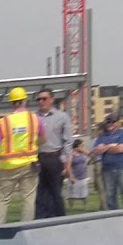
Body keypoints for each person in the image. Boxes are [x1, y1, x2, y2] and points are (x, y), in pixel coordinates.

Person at [0, 86, 46, 225]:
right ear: (25, 101)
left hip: (8, 167)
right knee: (28, 198)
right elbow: (44, 139)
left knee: (2, 200)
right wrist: (34, 144)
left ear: (11, 103)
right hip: (29, 165)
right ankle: (26, 228)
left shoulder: (4, 122)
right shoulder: (35, 119)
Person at [33, 88, 74, 219]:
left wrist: (67, 164)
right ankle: (40, 220)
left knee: (55, 190)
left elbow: (68, 141)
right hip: (38, 158)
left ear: (51, 100)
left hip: (54, 157)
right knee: (40, 192)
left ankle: (59, 219)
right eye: (39, 99)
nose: (41, 102)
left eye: (44, 99)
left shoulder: (62, 117)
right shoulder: (33, 117)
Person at [91, 114, 123, 209]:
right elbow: (96, 151)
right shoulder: (102, 136)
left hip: (122, 168)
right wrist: (112, 146)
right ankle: (113, 217)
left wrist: (105, 147)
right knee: (110, 197)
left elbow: (120, 149)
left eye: (113, 121)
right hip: (107, 169)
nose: (111, 124)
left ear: (117, 122)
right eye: (108, 122)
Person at [68, 138, 90, 211]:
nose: (82, 147)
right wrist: (71, 176)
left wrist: (85, 152)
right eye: (81, 146)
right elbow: (69, 165)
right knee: (72, 193)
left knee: (84, 192)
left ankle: (85, 207)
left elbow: (90, 156)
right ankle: (71, 207)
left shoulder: (83, 154)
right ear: (76, 146)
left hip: (83, 175)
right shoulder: (72, 154)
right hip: (74, 175)